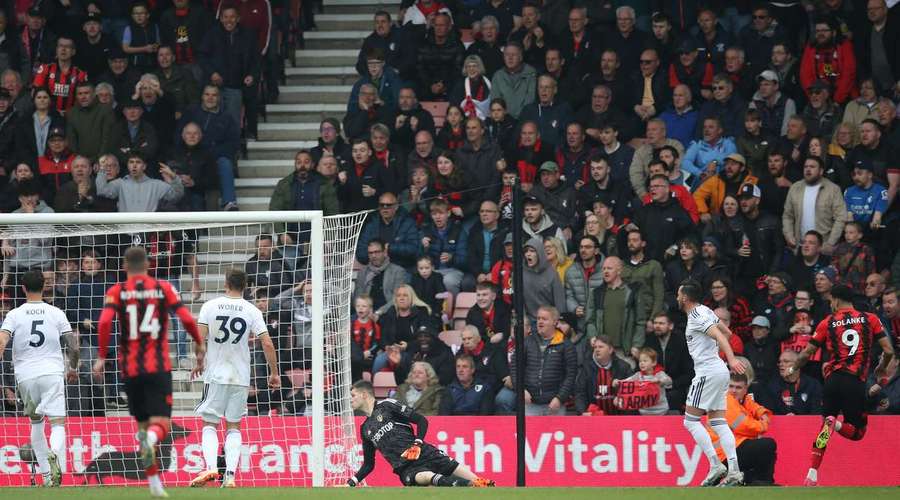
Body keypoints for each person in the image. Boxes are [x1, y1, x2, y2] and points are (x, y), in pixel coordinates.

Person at [92, 247, 205, 498]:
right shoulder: (163, 287)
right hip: (158, 367)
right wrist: (199, 344)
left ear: (124, 266)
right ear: (149, 264)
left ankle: (154, 483)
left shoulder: (116, 291)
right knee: (161, 425)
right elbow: (186, 318)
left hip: (130, 369)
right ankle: (152, 445)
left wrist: (101, 356)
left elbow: (103, 322)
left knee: (144, 428)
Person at [790, 284, 895, 486]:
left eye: (831, 301)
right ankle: (836, 424)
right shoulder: (870, 319)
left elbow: (806, 354)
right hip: (854, 382)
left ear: (836, 300)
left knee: (823, 428)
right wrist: (881, 368)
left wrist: (793, 369)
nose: (831, 305)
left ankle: (812, 473)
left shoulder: (827, 322)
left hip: (832, 382)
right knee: (857, 432)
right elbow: (889, 351)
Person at [190, 269, 280, 488]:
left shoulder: (209, 306)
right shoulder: (252, 310)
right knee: (234, 427)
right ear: (246, 287)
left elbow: (199, 339)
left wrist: (200, 362)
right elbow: (267, 343)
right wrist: (274, 373)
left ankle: (211, 467)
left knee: (210, 423)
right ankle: (229, 475)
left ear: (225, 283)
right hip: (240, 376)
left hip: (216, 375)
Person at [0, 270, 77, 487]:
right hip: (51, 373)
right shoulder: (56, 312)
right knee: (58, 424)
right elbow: (72, 344)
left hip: (25, 376)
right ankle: (54, 453)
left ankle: (46, 476)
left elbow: (2, 340)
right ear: (44, 286)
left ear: (23, 288)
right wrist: (72, 367)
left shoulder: (14, 314)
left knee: (36, 422)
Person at [347, 380, 494, 487]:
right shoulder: (365, 428)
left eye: (353, 395)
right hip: (405, 467)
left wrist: (417, 443)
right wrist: (351, 483)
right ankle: (468, 485)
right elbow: (368, 464)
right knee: (425, 477)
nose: (350, 399)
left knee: (480, 483)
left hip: (423, 452)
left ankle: (477, 484)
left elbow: (421, 420)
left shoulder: (386, 405)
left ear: (365, 395)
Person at [676, 279, 747, 487]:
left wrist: (732, 359)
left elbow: (720, 336)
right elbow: (728, 332)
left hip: (707, 371)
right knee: (717, 422)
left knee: (690, 421)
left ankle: (716, 465)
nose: (677, 298)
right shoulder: (705, 310)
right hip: (718, 371)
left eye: (679, 294)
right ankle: (734, 470)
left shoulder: (697, 315)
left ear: (685, 297)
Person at [706, 371, 778, 485]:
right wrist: (763, 424)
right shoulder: (726, 400)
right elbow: (744, 426)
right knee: (768, 445)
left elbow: (752, 405)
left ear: (745, 390)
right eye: (731, 386)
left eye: (738, 387)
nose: (734, 390)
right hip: (725, 453)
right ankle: (760, 481)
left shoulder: (740, 401)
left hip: (728, 451)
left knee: (766, 450)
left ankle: (758, 481)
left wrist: (762, 413)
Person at [509, 305, 577, 416]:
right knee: (530, 433)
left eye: (544, 319)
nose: (540, 322)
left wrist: (560, 398)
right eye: (538, 318)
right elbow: (515, 366)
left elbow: (571, 374)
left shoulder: (566, 344)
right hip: (530, 404)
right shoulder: (527, 342)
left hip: (555, 405)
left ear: (555, 322)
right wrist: (521, 390)